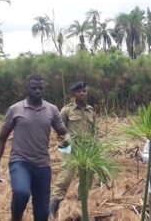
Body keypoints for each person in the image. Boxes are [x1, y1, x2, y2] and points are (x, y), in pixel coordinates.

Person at [0, 74, 67, 221]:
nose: (37, 91)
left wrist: (70, 153)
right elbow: (1, 138)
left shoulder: (52, 110)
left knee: (42, 214)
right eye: (34, 88)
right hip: (20, 162)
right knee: (21, 192)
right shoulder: (15, 109)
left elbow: (63, 134)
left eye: (40, 88)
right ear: (27, 88)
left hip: (43, 165)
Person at [49, 81, 96, 218]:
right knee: (66, 176)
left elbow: (94, 131)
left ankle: (81, 207)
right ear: (74, 94)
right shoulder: (66, 110)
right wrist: (65, 146)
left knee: (87, 179)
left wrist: (95, 146)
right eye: (79, 91)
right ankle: (52, 208)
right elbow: (60, 130)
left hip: (87, 149)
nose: (82, 93)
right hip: (69, 148)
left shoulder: (91, 110)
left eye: (85, 91)